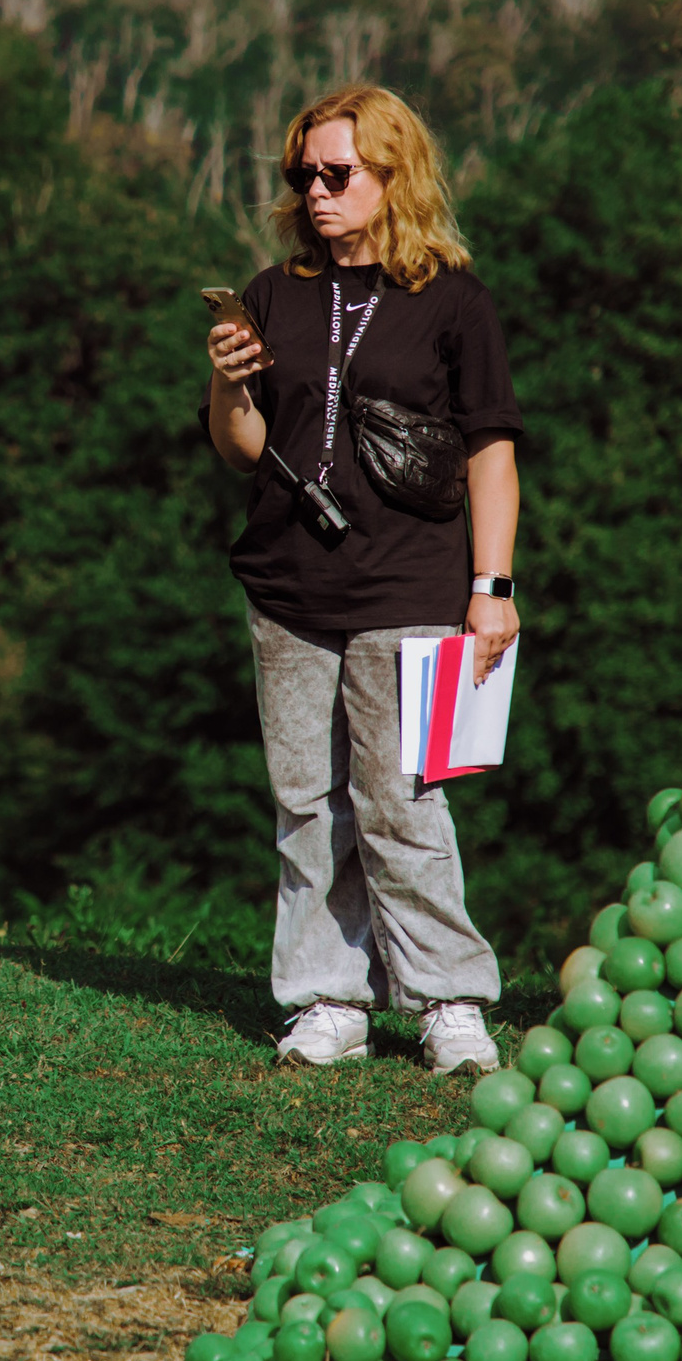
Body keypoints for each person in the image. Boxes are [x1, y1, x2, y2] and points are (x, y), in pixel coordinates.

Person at [203, 84, 523, 1074]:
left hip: (410, 584)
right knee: (307, 804)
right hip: (289, 589)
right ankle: (326, 997)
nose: (315, 191)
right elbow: (243, 450)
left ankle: (447, 1001)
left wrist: (493, 586)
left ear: (392, 176)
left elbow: (492, 451)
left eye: (336, 173)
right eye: (303, 175)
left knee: (403, 802)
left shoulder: (453, 299)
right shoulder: (273, 290)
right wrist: (226, 380)